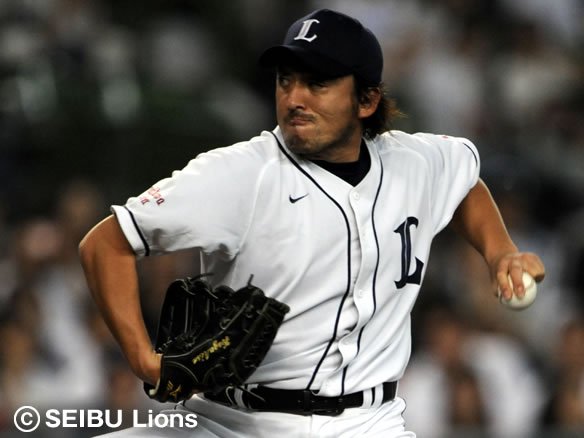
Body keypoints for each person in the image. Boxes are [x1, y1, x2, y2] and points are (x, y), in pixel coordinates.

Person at [78, 9, 545, 438]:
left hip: (369, 423)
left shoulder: (414, 162)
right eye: (286, 80)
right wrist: (144, 359)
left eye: (317, 84)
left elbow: (464, 183)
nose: (294, 98)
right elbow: (105, 244)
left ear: (367, 100)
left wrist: (500, 251)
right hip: (230, 422)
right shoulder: (238, 173)